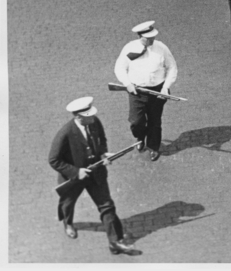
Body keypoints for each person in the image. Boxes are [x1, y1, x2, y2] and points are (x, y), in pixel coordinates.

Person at [48, 97, 136, 255]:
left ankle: (114, 242)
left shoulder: (94, 122)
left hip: (96, 174)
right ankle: (68, 223)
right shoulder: (65, 133)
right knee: (67, 204)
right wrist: (76, 172)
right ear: (78, 117)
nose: (93, 117)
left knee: (107, 206)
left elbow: (102, 140)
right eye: (88, 115)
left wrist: (103, 154)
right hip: (73, 179)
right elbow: (53, 160)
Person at [114, 21, 178, 161]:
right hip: (136, 91)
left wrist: (166, 87)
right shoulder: (129, 48)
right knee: (136, 122)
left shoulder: (161, 48)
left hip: (157, 91)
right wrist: (127, 84)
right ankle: (140, 137)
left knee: (155, 121)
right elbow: (119, 68)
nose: (152, 40)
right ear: (140, 36)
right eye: (149, 38)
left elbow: (172, 67)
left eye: (153, 37)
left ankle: (153, 147)